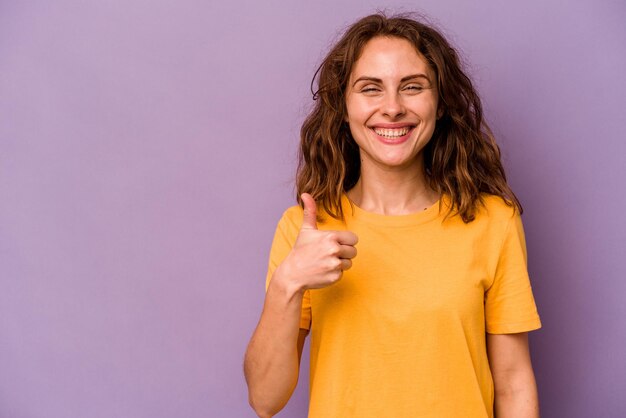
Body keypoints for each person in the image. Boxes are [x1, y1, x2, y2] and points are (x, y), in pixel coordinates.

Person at [244, 12, 542, 418]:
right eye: (370, 89)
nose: (392, 107)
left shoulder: (492, 221)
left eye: (412, 87)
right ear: (343, 108)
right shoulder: (304, 229)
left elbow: (513, 381)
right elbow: (265, 400)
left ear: (440, 105)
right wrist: (288, 283)